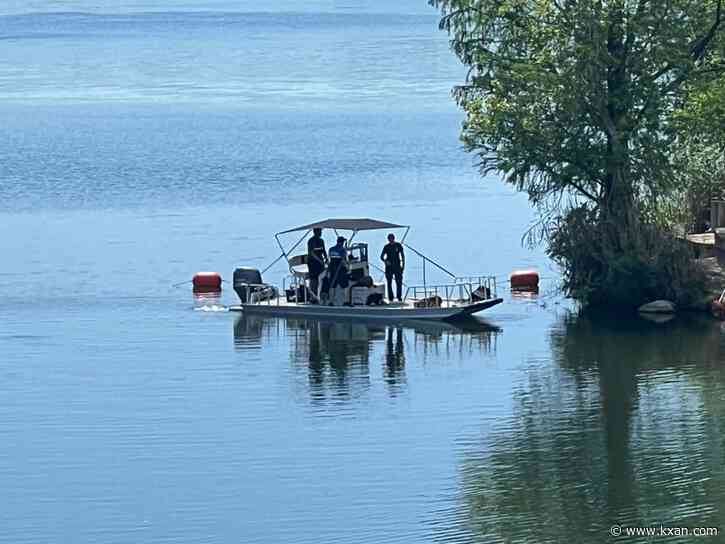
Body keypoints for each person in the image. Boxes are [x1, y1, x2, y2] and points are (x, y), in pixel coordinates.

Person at [381, 233, 405, 302]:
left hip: (397, 266)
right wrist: (385, 261)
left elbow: (402, 256)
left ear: (394, 238)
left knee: (399, 282)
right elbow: (382, 257)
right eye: (389, 239)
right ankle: (390, 297)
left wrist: (403, 265)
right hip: (389, 267)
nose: (390, 240)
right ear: (388, 239)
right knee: (389, 282)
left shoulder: (398, 245)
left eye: (391, 238)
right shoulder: (386, 246)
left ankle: (399, 296)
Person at [328, 236, 349, 305]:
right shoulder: (342, 250)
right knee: (345, 285)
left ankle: (331, 301)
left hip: (332, 269)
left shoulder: (331, 249)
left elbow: (330, 259)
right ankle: (346, 301)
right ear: (342, 242)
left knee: (332, 285)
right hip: (340, 269)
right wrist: (347, 268)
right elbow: (343, 261)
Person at [307, 227, 328, 297]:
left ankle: (320, 294)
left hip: (320, 262)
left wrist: (326, 258)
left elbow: (323, 250)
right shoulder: (311, 241)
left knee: (322, 277)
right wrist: (320, 261)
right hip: (312, 262)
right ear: (315, 232)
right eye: (319, 232)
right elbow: (312, 253)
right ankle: (312, 296)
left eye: (321, 232)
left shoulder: (321, 241)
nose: (321, 233)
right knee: (313, 279)